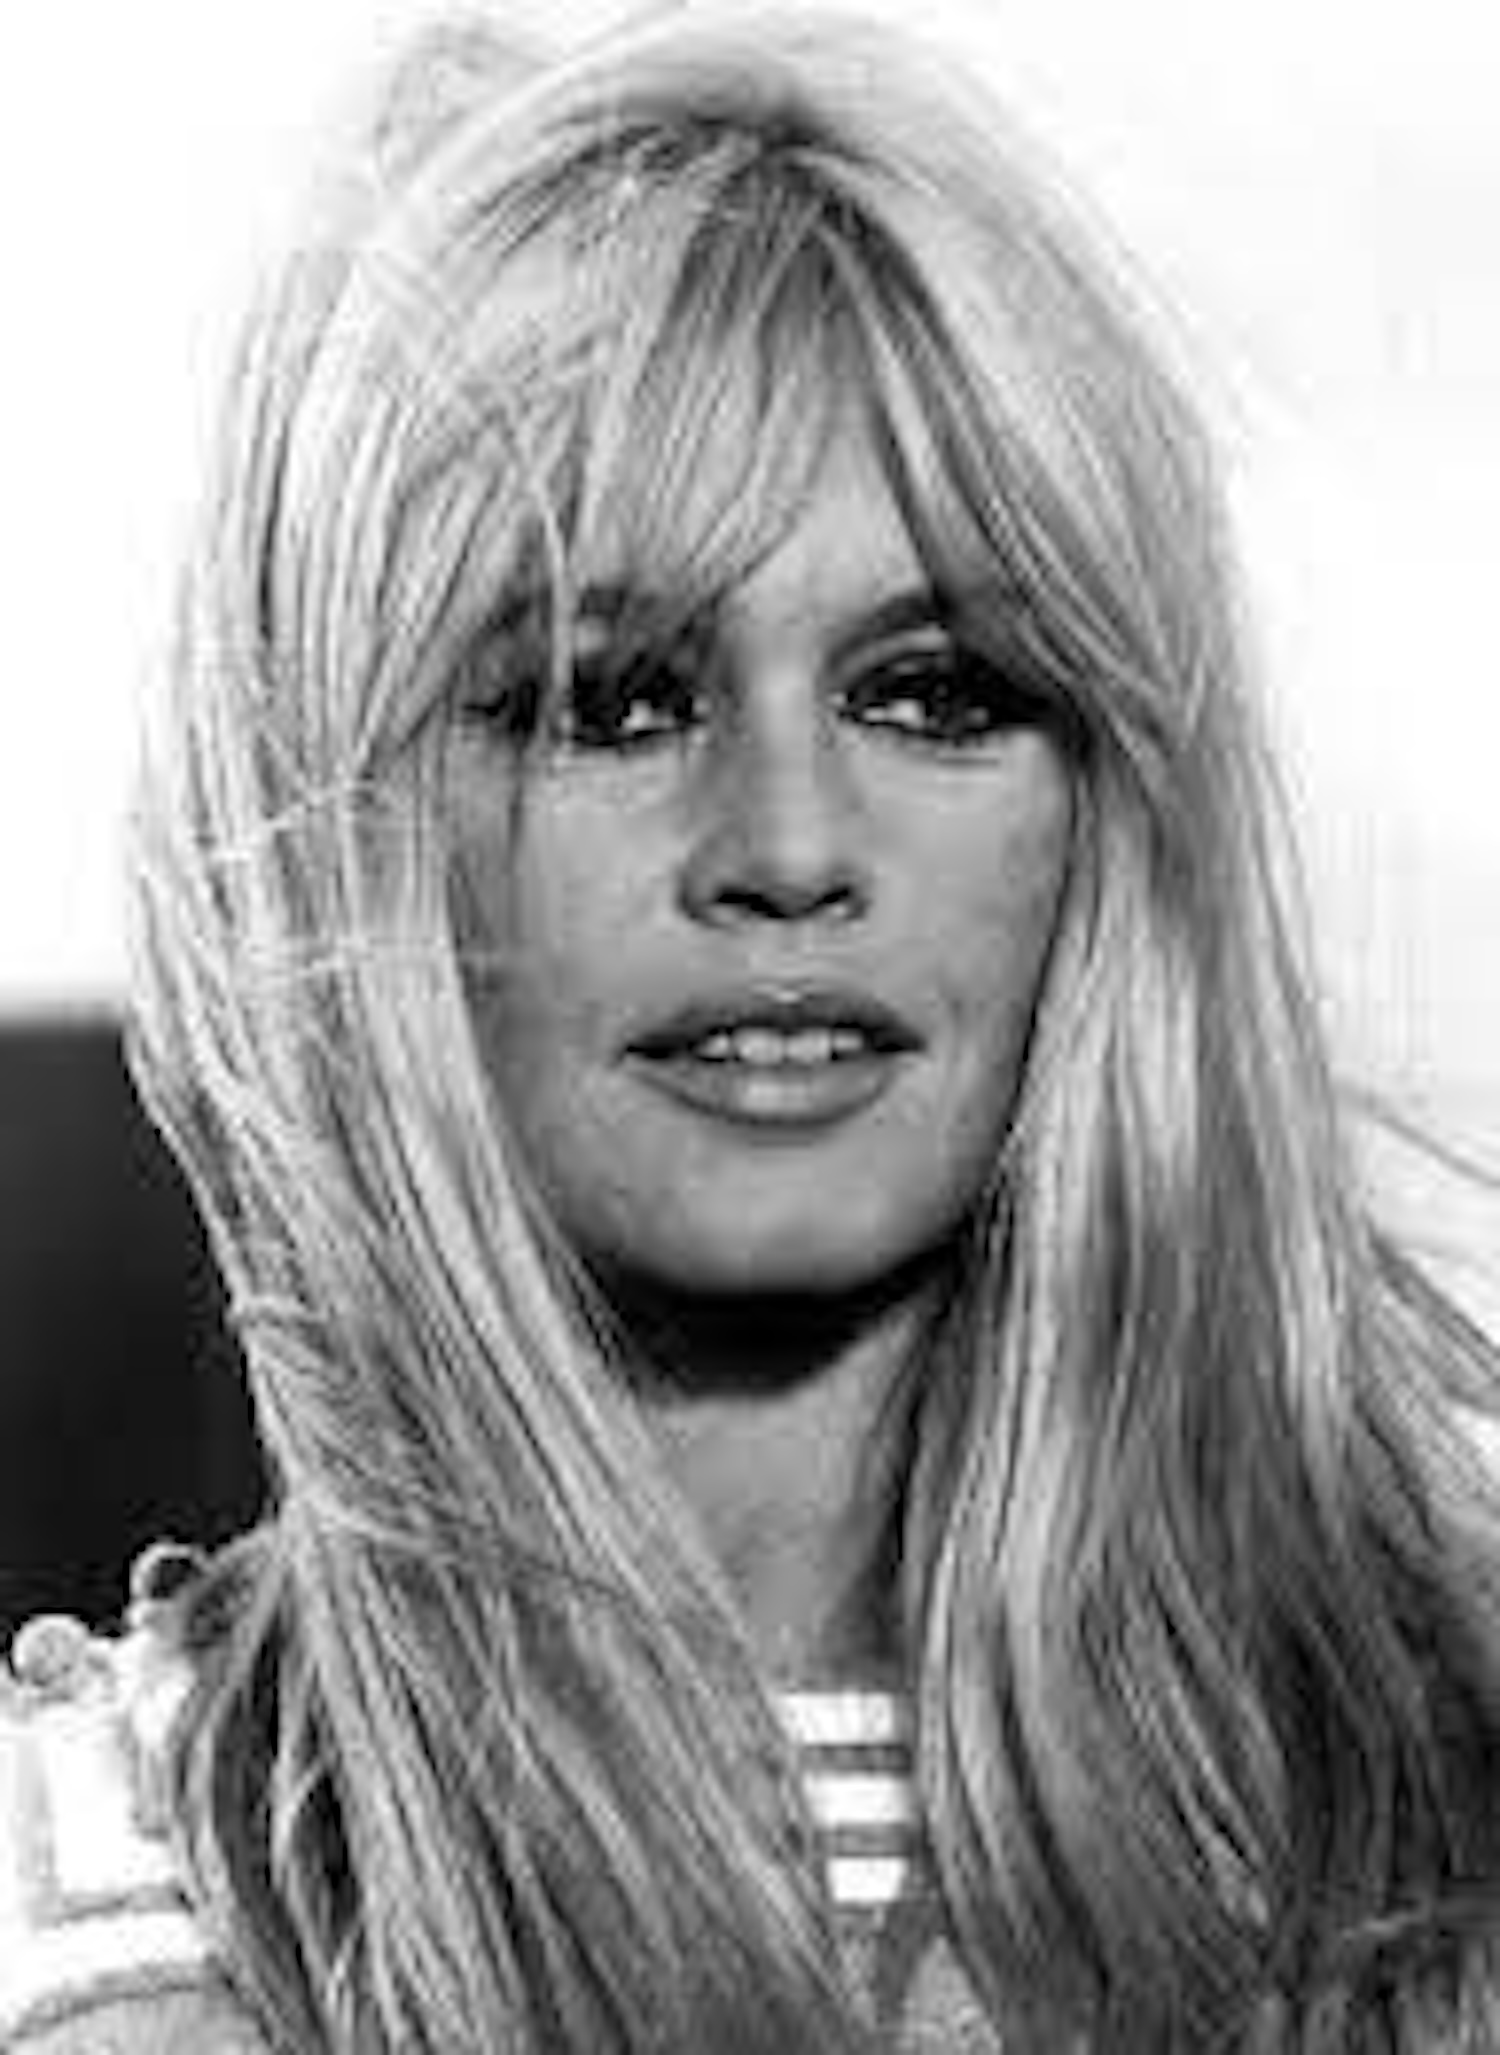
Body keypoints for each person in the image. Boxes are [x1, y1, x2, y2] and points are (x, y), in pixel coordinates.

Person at [5, 5, 1500, 2049]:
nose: (790, 846)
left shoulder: (1438, 1832)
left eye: (935, 693)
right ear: (349, 824)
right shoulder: (96, 1900)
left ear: (1108, 808)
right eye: (612, 701)